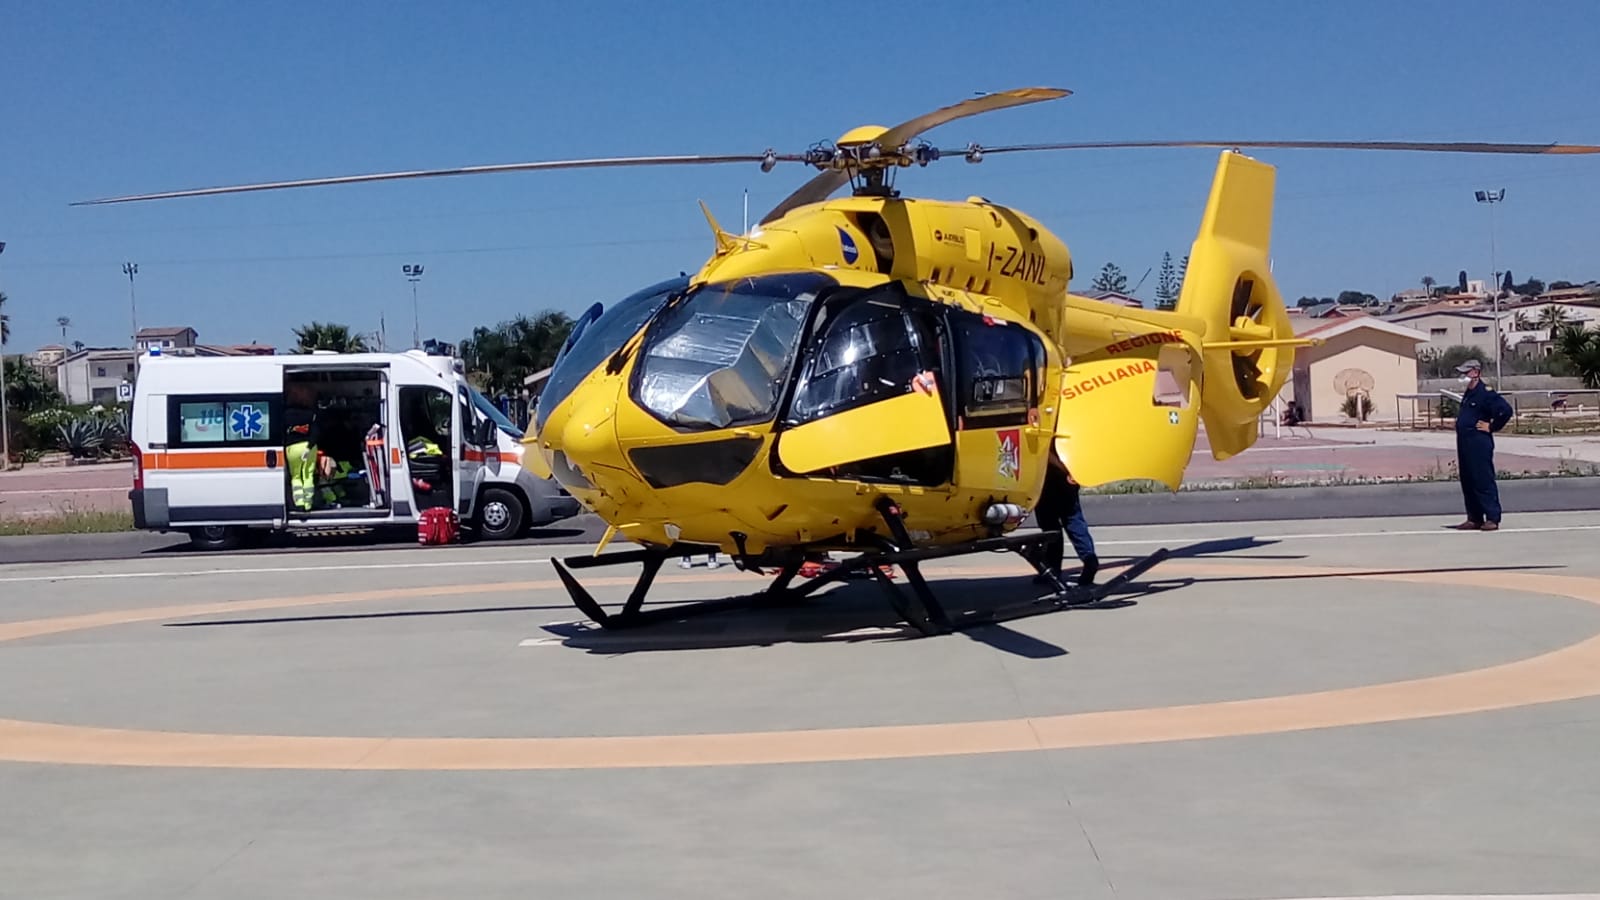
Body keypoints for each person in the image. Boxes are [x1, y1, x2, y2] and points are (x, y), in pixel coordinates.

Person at [1451, 359, 1513, 532]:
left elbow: (1505, 410)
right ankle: (1474, 517)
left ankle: (1492, 517)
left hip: (1479, 442)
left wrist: (1492, 427)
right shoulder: (1469, 393)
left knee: (1482, 479)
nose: (1463, 376)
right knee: (1468, 479)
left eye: (1466, 372)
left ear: (1476, 372)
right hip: (1465, 442)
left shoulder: (1485, 393)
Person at [1033, 452, 1099, 589]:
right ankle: (1089, 558)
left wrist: (1063, 468)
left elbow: (1044, 451)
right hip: (1068, 477)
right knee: (1073, 520)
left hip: (1048, 477)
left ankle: (1053, 568)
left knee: (1050, 526)